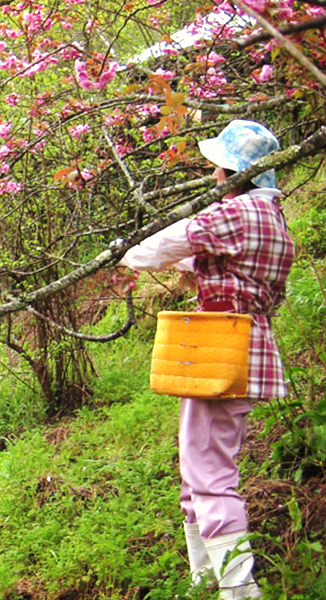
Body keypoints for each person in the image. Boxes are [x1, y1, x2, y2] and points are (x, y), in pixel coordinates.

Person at [119, 120, 294, 600]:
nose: (214, 179)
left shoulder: (238, 214)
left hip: (221, 348)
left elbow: (171, 242)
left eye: (219, 169)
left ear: (237, 173)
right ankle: (203, 578)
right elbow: (205, 257)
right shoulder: (271, 219)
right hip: (246, 349)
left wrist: (129, 254)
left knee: (211, 475)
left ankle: (238, 590)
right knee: (198, 464)